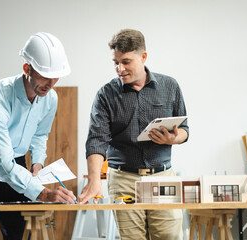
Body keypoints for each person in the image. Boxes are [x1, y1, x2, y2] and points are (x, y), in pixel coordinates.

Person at [0, 32, 76, 240]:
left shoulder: (50, 98)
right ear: (27, 69)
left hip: (16, 160)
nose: (50, 85)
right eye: (44, 76)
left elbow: (40, 134)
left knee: (15, 231)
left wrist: (38, 164)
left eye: (55, 77)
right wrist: (43, 193)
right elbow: (4, 164)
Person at [78, 29, 189, 240]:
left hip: (162, 177)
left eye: (126, 62)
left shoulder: (170, 86)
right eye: (116, 62)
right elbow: (96, 140)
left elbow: (185, 130)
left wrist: (174, 138)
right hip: (123, 179)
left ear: (143, 57)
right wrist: (94, 180)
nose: (120, 69)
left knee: (169, 237)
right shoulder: (106, 94)